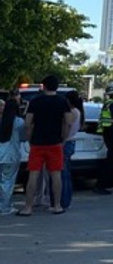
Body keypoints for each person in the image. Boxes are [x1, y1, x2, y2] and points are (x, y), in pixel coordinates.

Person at [19, 75, 75, 215]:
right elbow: (68, 122)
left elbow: (27, 123)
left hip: (37, 143)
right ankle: (57, 206)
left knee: (33, 174)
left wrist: (30, 139)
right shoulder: (63, 102)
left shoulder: (35, 101)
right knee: (56, 174)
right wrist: (63, 138)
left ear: (43, 86)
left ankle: (28, 207)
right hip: (55, 143)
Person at [0, 92, 27, 215]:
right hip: (11, 155)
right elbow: (23, 138)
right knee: (7, 182)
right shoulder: (19, 122)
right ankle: (5, 207)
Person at [60, 91, 85, 208]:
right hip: (70, 142)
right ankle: (65, 199)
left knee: (63, 173)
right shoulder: (79, 112)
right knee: (65, 172)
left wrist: (62, 141)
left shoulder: (72, 112)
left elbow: (67, 125)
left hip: (66, 143)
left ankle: (64, 200)